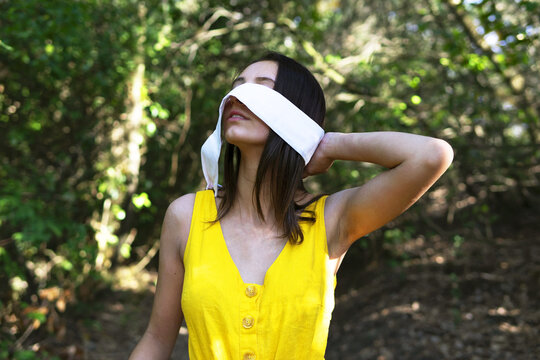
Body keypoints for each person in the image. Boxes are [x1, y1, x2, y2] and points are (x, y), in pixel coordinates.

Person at [129, 52, 454, 360]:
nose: (238, 97)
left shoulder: (332, 219)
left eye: (261, 89)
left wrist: (326, 144)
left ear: (294, 115)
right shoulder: (186, 217)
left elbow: (431, 155)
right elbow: (157, 339)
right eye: (237, 86)